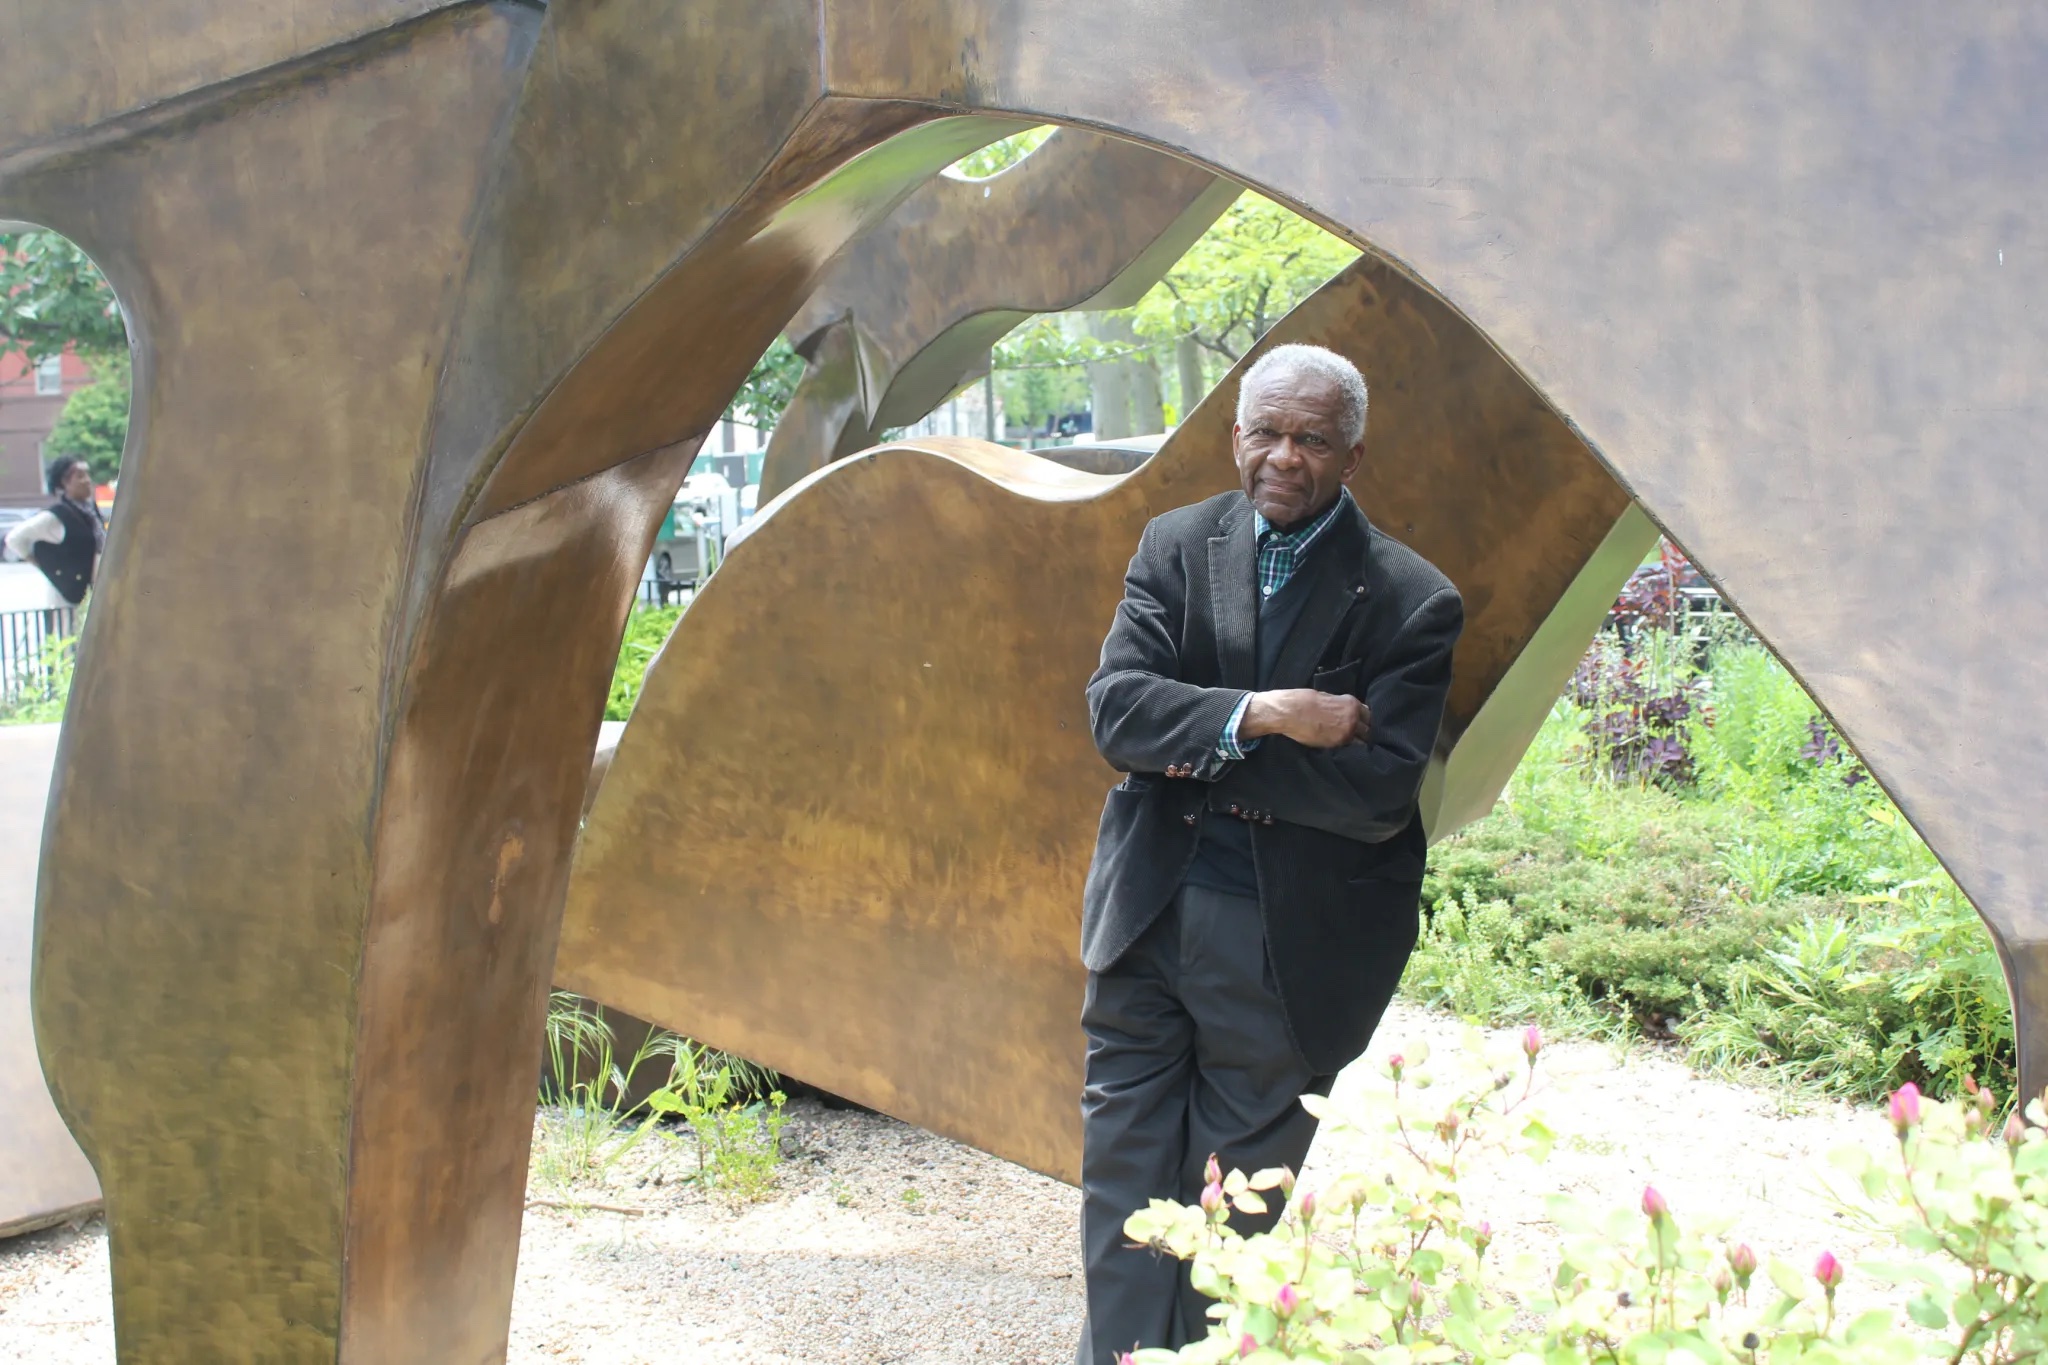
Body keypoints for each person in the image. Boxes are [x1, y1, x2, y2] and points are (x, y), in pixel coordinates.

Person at [1074, 343, 1464, 1362]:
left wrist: (1191, 748)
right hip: (1147, 915)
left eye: (1310, 439)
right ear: (1233, 434)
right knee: (1122, 1177)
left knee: (1234, 1205)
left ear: (1351, 453)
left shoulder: (1409, 600)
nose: (1282, 457)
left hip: (1285, 944)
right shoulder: (1172, 543)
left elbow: (1374, 794)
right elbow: (1116, 715)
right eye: (1265, 433)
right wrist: (1267, 716)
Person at [6, 455, 106, 610]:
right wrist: (39, 563)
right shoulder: (55, 516)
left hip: (95, 591)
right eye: (80, 476)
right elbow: (14, 538)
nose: (87, 480)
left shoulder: (91, 511)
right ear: (64, 483)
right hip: (69, 597)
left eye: (87, 475)